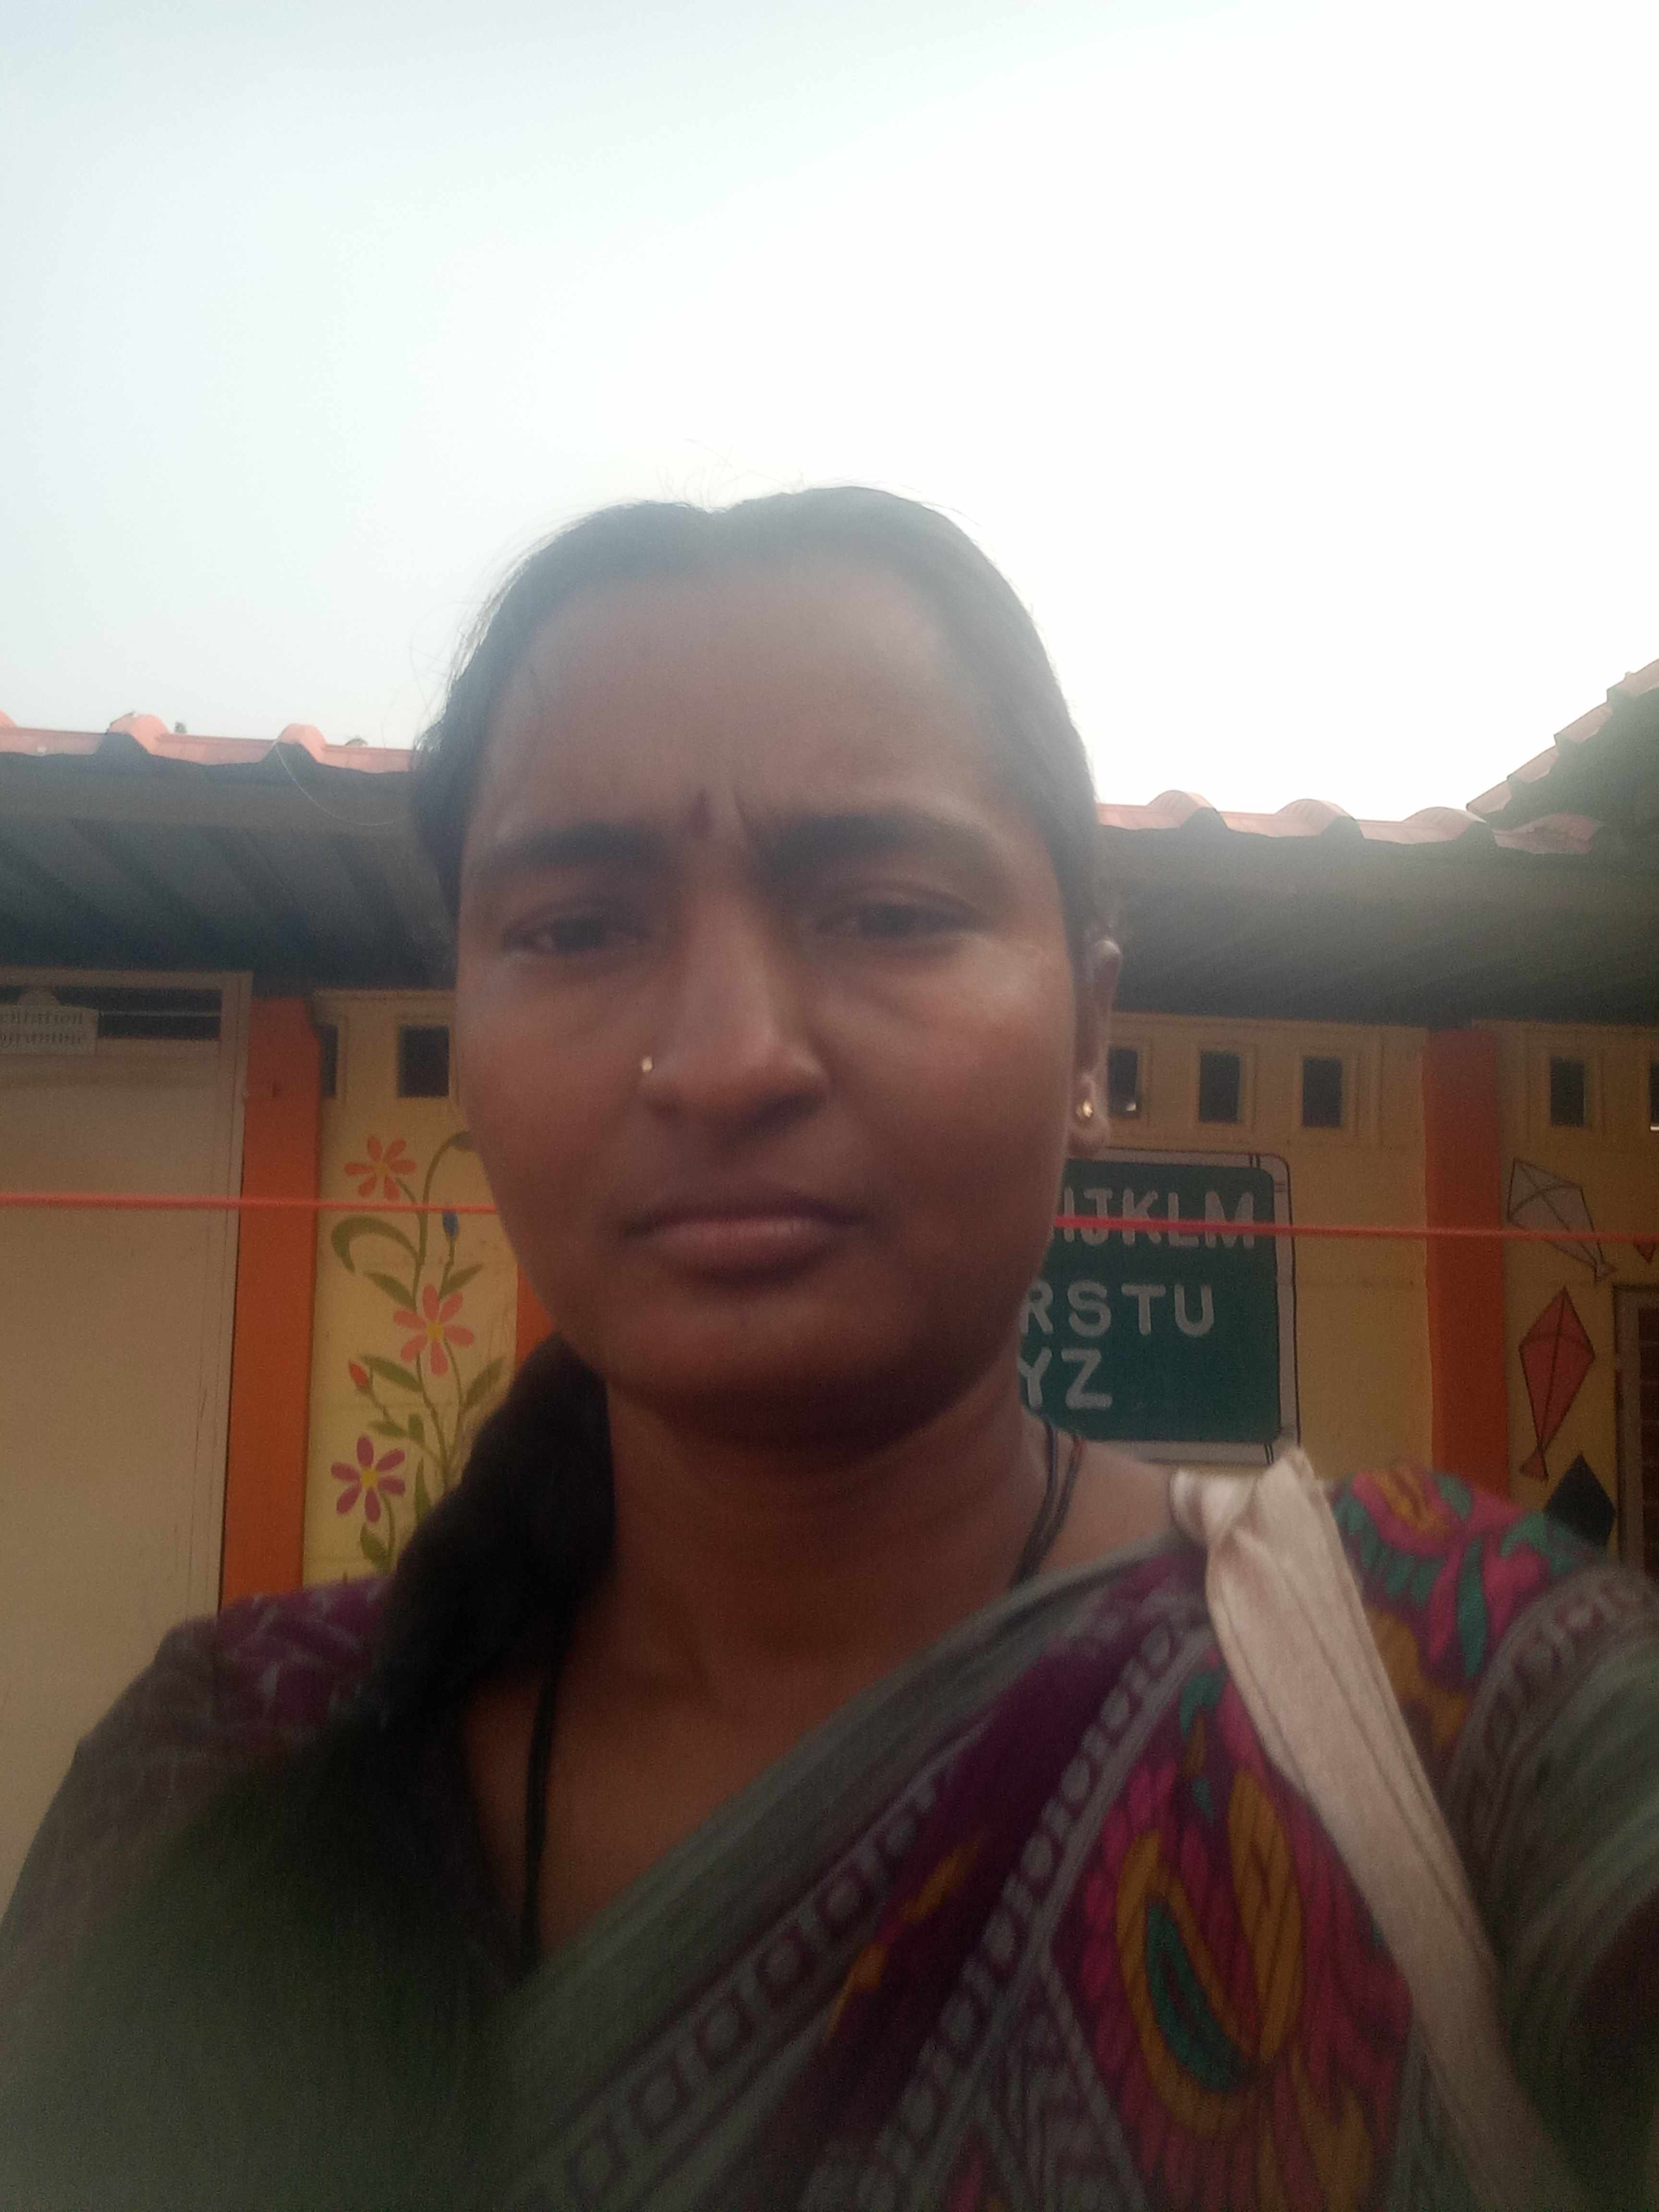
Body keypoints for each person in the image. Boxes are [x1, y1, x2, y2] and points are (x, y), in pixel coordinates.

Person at [1, 487, 1656, 2211]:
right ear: (467, 1033)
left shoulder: (1454, 1699)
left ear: (1091, 1032)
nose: (729, 1062)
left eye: (888, 910)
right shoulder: (231, 1756)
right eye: (575, 930)